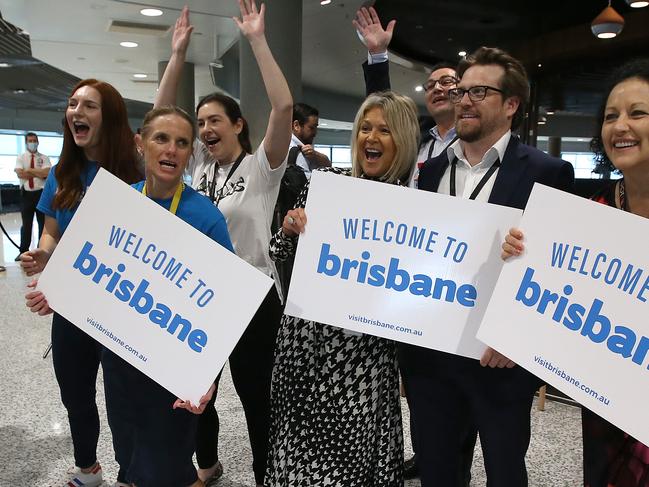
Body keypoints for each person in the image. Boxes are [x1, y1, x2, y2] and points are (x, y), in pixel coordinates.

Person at [407, 46, 574, 487]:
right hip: (432, 353)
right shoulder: (430, 171)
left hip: (498, 358)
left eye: (479, 91)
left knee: (504, 469)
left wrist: (514, 334)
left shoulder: (548, 172)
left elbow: (557, 268)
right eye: (462, 90)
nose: (463, 100)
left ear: (512, 104)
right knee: (437, 468)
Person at [154, 3, 292, 485]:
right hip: (201, 296)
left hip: (254, 298)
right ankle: (207, 465)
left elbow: (283, 108)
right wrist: (177, 56)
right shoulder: (198, 171)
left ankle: (265, 474)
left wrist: (256, 39)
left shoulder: (261, 168)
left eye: (215, 120)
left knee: (257, 397)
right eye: (201, 122)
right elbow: (159, 119)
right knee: (196, 386)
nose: (206, 129)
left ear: (237, 124)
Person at [502, 58, 649, 487]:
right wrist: (522, 254)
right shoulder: (595, 209)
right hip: (605, 404)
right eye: (610, 116)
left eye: (638, 113)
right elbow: (560, 295)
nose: (621, 126)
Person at [265, 90, 420, 487]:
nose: (371, 137)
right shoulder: (325, 185)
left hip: (362, 358)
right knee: (298, 452)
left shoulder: (416, 210)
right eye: (365, 127)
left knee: (348, 464)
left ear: (401, 140)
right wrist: (288, 229)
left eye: (384, 130)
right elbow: (276, 251)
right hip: (305, 345)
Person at [353, 7, 473, 481]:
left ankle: (450, 465)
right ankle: (428, 455)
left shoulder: (469, 153)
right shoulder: (413, 146)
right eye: (436, 82)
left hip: (447, 288)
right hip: (396, 285)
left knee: (452, 396)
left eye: (453, 83)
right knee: (417, 387)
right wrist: (377, 55)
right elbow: (378, 116)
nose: (443, 88)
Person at [100, 105, 233, 487]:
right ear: (140, 144)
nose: (171, 150)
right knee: (129, 455)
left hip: (174, 364)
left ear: (191, 152)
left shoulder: (205, 217)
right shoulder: (119, 203)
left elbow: (225, 305)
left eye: (181, 142)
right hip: (121, 358)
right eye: (161, 138)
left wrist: (207, 376)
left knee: (169, 465)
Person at [21, 78, 142, 487]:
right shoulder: (61, 173)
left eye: (89, 105)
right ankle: (87, 467)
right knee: (75, 393)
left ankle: (130, 472)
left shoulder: (133, 172)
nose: (77, 112)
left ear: (109, 117)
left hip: (119, 303)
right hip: (71, 305)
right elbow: (52, 229)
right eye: (73, 104)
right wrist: (44, 253)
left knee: (122, 399)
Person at [353, 6, 458, 189]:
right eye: (430, 85)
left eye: (446, 81)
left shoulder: (476, 138)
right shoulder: (416, 133)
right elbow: (383, 109)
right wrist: (378, 54)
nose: (437, 88)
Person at [14, 132, 51, 260]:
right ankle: (23, 251)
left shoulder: (44, 158)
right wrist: (38, 173)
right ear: (26, 142)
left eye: (34, 140)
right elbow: (20, 174)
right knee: (26, 224)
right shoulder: (21, 157)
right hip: (26, 195)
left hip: (41, 194)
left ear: (38, 142)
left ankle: (41, 250)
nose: (32, 143)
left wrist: (29, 170)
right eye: (30, 140)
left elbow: (47, 173)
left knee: (43, 224)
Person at [290, 102, 330, 178]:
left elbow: (328, 164)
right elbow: (306, 183)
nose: (315, 133)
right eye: (311, 128)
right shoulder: (292, 150)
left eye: (316, 128)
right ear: (296, 125)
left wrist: (316, 155)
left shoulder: (307, 150)